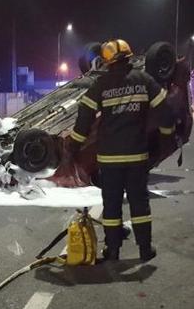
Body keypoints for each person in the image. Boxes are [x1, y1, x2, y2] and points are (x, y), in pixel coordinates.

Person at [69, 39, 174, 262]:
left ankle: (113, 250)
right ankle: (145, 250)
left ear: (107, 62)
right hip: (137, 156)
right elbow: (166, 112)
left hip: (109, 159)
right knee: (139, 203)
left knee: (112, 206)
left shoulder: (101, 85)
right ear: (128, 57)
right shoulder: (144, 80)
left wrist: (74, 145)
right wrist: (166, 138)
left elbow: (84, 116)